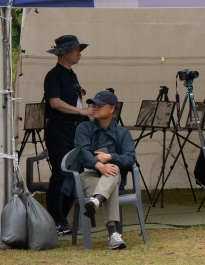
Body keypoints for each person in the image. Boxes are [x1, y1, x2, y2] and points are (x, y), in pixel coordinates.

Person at [72, 89, 138, 250]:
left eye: (99, 105)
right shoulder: (83, 128)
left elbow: (130, 159)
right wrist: (99, 165)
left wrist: (111, 157)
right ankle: (113, 234)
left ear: (112, 109)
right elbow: (82, 152)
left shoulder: (123, 133)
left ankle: (97, 201)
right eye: (93, 105)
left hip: (112, 176)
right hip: (87, 177)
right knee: (111, 185)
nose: (94, 108)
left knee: (113, 170)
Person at [42, 36, 93, 227]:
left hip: (75, 129)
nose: (79, 54)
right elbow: (55, 102)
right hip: (59, 128)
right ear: (64, 53)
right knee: (61, 172)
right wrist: (80, 111)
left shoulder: (72, 74)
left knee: (76, 172)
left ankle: (62, 216)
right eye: (76, 50)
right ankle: (55, 219)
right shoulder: (54, 75)